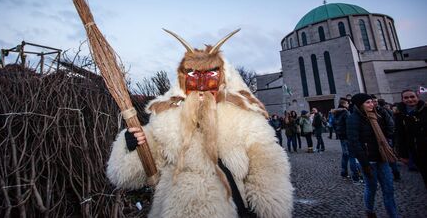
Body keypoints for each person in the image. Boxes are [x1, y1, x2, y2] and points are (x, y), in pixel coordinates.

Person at [106, 30, 293, 218]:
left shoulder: (245, 118)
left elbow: (267, 162)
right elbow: (128, 174)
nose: (202, 85)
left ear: (222, 78)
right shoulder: (166, 120)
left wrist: (265, 207)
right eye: (194, 76)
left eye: (210, 74)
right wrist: (131, 144)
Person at [347, 93, 398, 218]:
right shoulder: (353, 119)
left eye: (372, 102)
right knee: (372, 187)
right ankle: (369, 210)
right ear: (360, 105)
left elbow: (385, 133)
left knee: (389, 188)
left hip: (382, 157)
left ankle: (393, 215)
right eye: (368, 102)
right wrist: (364, 164)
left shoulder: (377, 116)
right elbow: (354, 142)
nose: (371, 104)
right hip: (369, 160)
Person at [394, 89, 427, 188]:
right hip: (417, 152)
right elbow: (400, 135)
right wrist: (403, 155)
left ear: (417, 97)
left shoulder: (425, 110)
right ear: (402, 99)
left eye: (412, 97)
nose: (410, 99)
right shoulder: (400, 115)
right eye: (406, 97)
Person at [371, 95, 401, 181]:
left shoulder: (383, 111)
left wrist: (388, 135)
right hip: (376, 139)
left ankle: (396, 174)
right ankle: (384, 175)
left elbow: (390, 123)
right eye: (373, 101)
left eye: (376, 101)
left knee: (390, 156)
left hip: (386, 137)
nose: (375, 103)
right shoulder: (369, 112)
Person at [332, 98, 360, 182]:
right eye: (347, 103)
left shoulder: (336, 112)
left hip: (341, 136)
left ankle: (344, 172)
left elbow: (334, 124)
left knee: (345, 154)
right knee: (352, 155)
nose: (348, 105)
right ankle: (355, 176)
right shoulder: (345, 112)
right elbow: (350, 124)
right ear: (344, 104)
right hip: (347, 136)